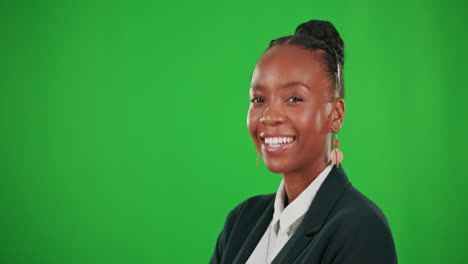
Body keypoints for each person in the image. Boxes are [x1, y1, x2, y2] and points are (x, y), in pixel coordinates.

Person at [209, 19, 397, 264]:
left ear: (336, 114)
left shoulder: (360, 228)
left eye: (294, 98)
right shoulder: (241, 221)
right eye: (258, 100)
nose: (269, 116)